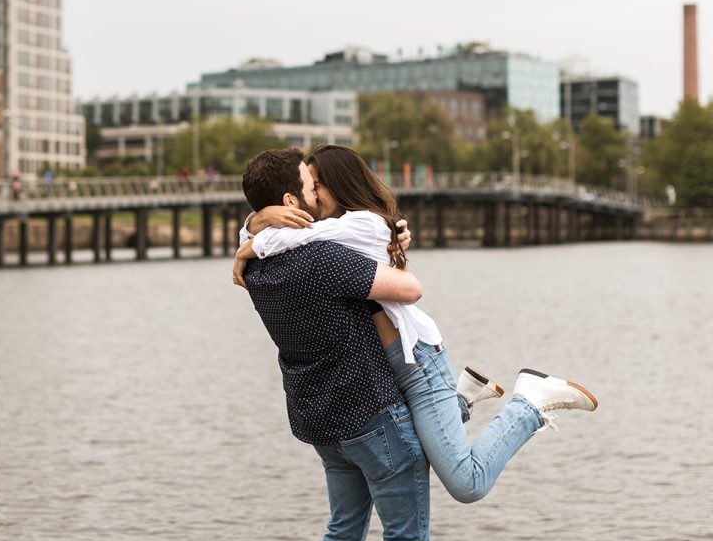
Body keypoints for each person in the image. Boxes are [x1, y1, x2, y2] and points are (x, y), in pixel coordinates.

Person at [235, 144, 598, 506]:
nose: (311, 194)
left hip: (418, 362)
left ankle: (529, 402)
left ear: (340, 184)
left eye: (317, 185)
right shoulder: (333, 229)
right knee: (422, 448)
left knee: (466, 482)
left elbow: (302, 243)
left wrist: (254, 237)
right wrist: (260, 224)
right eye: (307, 186)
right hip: (387, 365)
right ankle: (464, 397)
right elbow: (295, 238)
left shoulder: (359, 225)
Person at [238, 147, 442, 541]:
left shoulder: (256, 264)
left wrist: (254, 227)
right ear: (289, 203)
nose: (319, 194)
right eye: (310, 186)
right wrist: (392, 248)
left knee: (341, 537)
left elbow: (256, 239)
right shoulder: (324, 256)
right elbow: (408, 291)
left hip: (322, 420)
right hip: (374, 415)